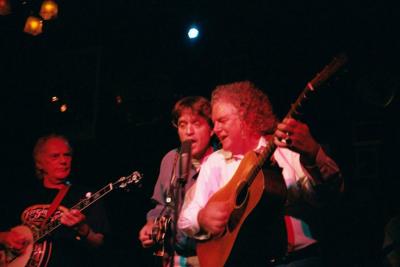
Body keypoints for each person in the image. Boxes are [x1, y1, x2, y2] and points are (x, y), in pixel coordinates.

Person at [178, 81, 344, 266]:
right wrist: (201, 218)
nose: (215, 129)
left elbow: (327, 195)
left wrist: (313, 154)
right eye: (214, 122)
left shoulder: (284, 149)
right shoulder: (215, 163)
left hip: (297, 260)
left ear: (247, 118)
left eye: (222, 121)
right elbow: (185, 218)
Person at [0, 134, 109, 267]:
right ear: (39, 163)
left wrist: (83, 229)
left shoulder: (87, 196)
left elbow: (99, 243)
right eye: (55, 156)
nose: (63, 161)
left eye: (67, 155)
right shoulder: (22, 195)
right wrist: (4, 237)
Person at [138, 96, 215, 267]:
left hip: (212, 258)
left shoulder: (222, 160)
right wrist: (151, 225)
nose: (189, 131)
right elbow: (161, 205)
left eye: (196, 123)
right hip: (177, 260)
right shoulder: (170, 159)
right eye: (182, 124)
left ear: (211, 129)